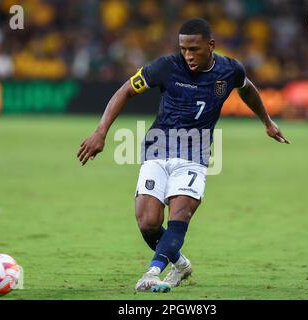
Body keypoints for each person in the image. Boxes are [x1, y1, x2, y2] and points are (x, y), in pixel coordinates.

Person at [77, 18, 290, 293]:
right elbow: (126, 90)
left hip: (195, 151)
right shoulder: (166, 66)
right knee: (148, 221)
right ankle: (180, 264)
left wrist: (267, 122)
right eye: (183, 49)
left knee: (180, 213)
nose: (188, 55)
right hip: (158, 147)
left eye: (195, 49)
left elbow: (248, 90)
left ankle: (153, 271)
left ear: (211, 46)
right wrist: (101, 131)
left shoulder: (229, 70)